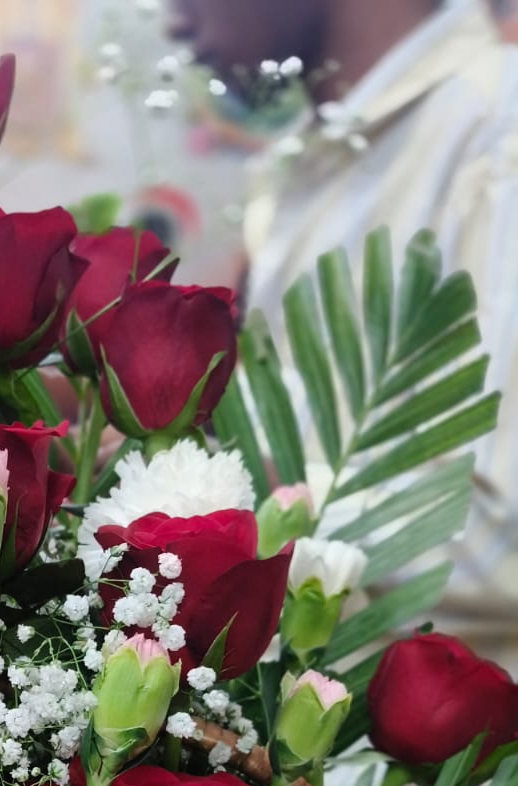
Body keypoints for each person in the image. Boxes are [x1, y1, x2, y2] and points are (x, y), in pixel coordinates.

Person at [165, 0, 518, 659]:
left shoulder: (498, 131)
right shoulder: (314, 160)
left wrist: (217, 499)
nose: (174, 22)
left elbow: (505, 545)